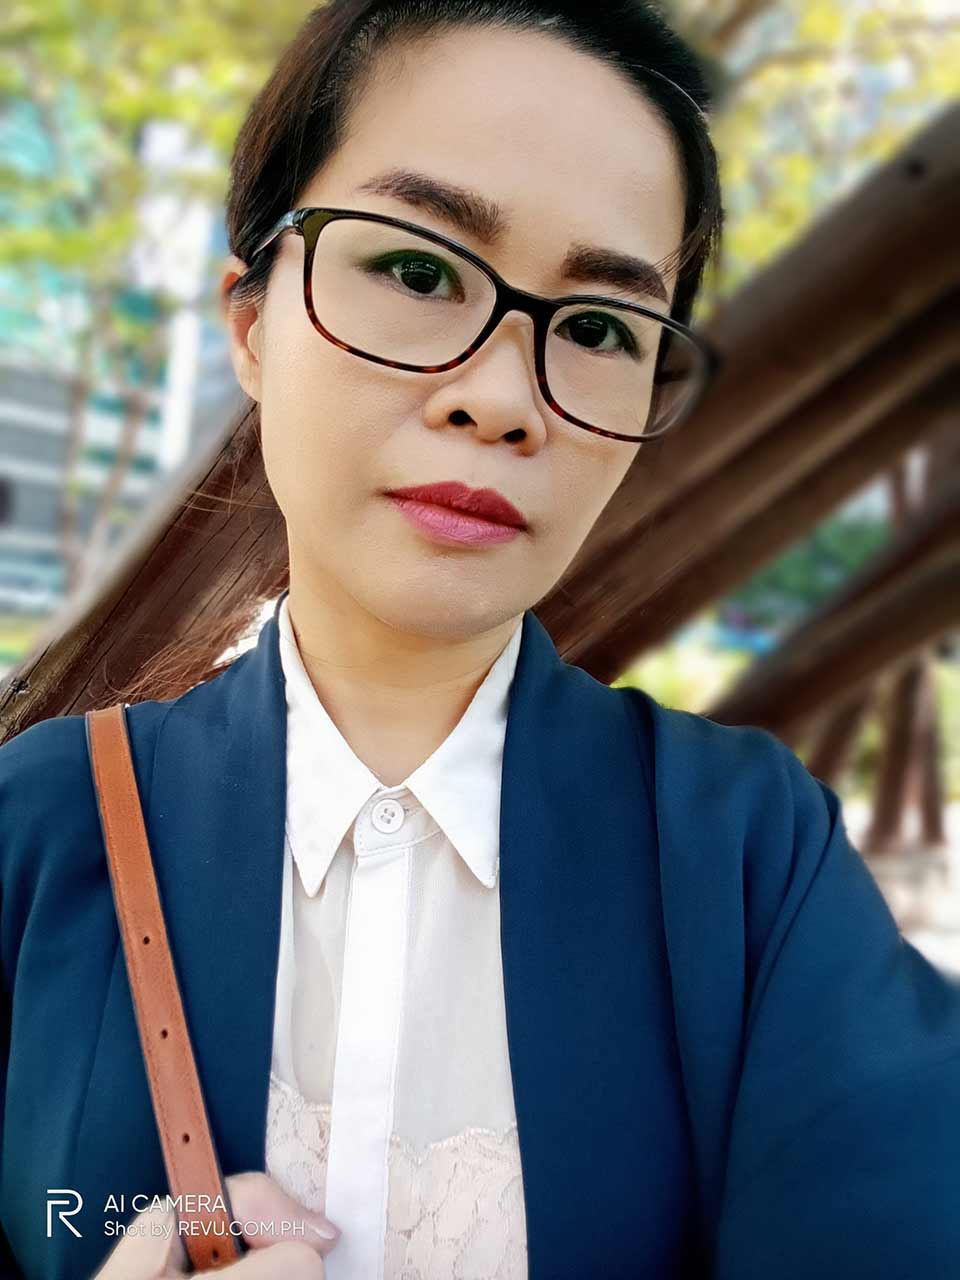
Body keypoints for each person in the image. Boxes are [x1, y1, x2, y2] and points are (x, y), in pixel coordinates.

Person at [2, 1, 959, 1277]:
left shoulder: (745, 856)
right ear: (251, 323)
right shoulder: (41, 821)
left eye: (601, 328)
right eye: (416, 270)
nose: (503, 399)